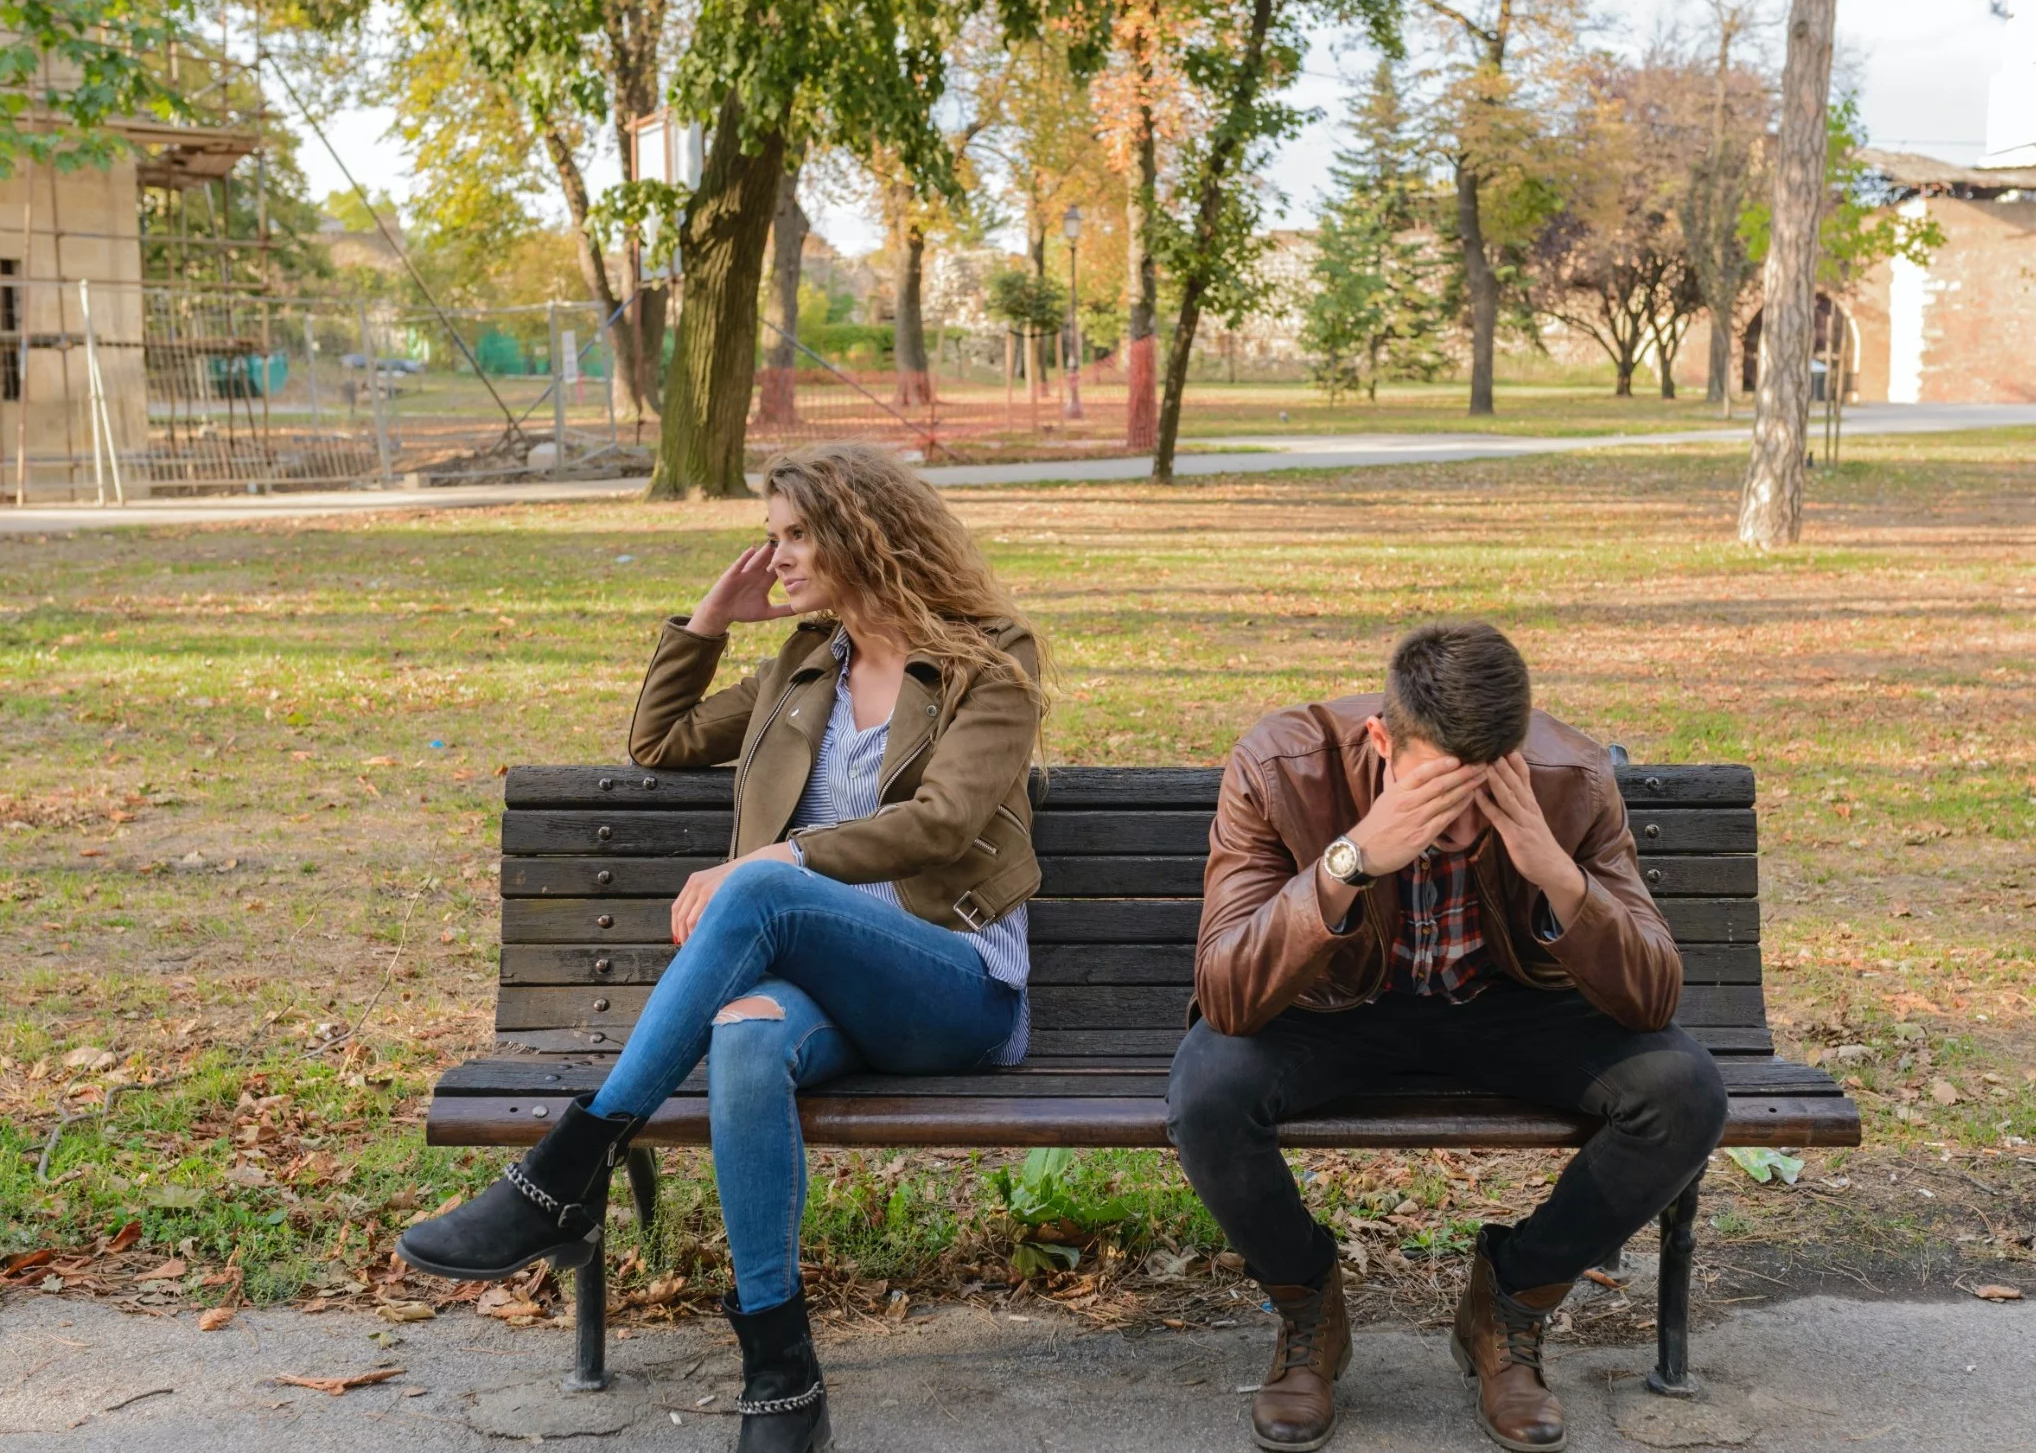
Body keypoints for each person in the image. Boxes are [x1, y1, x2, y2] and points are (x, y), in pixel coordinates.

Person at [399, 444, 1047, 1453]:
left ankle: (565, 1170)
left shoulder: (986, 659)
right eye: (771, 535)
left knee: (762, 888)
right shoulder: (803, 664)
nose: (773, 555)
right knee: (744, 1039)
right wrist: (706, 623)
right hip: (818, 991)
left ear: (860, 534)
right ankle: (781, 1378)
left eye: (793, 535)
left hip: (951, 983)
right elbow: (657, 744)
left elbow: (946, 824)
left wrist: (774, 862)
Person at [1167, 623, 1727, 1453]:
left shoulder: (1569, 777)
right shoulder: (1281, 764)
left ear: (1516, 757)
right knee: (1206, 1091)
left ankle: (1512, 1301)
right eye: (1433, 795)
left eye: (1481, 798)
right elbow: (1226, 993)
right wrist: (1348, 863)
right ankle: (1306, 1307)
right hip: (1334, 1010)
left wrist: (1551, 866)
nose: (1456, 828)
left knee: (1684, 1093)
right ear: (1382, 739)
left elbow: (1651, 996)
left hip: (1507, 1007)